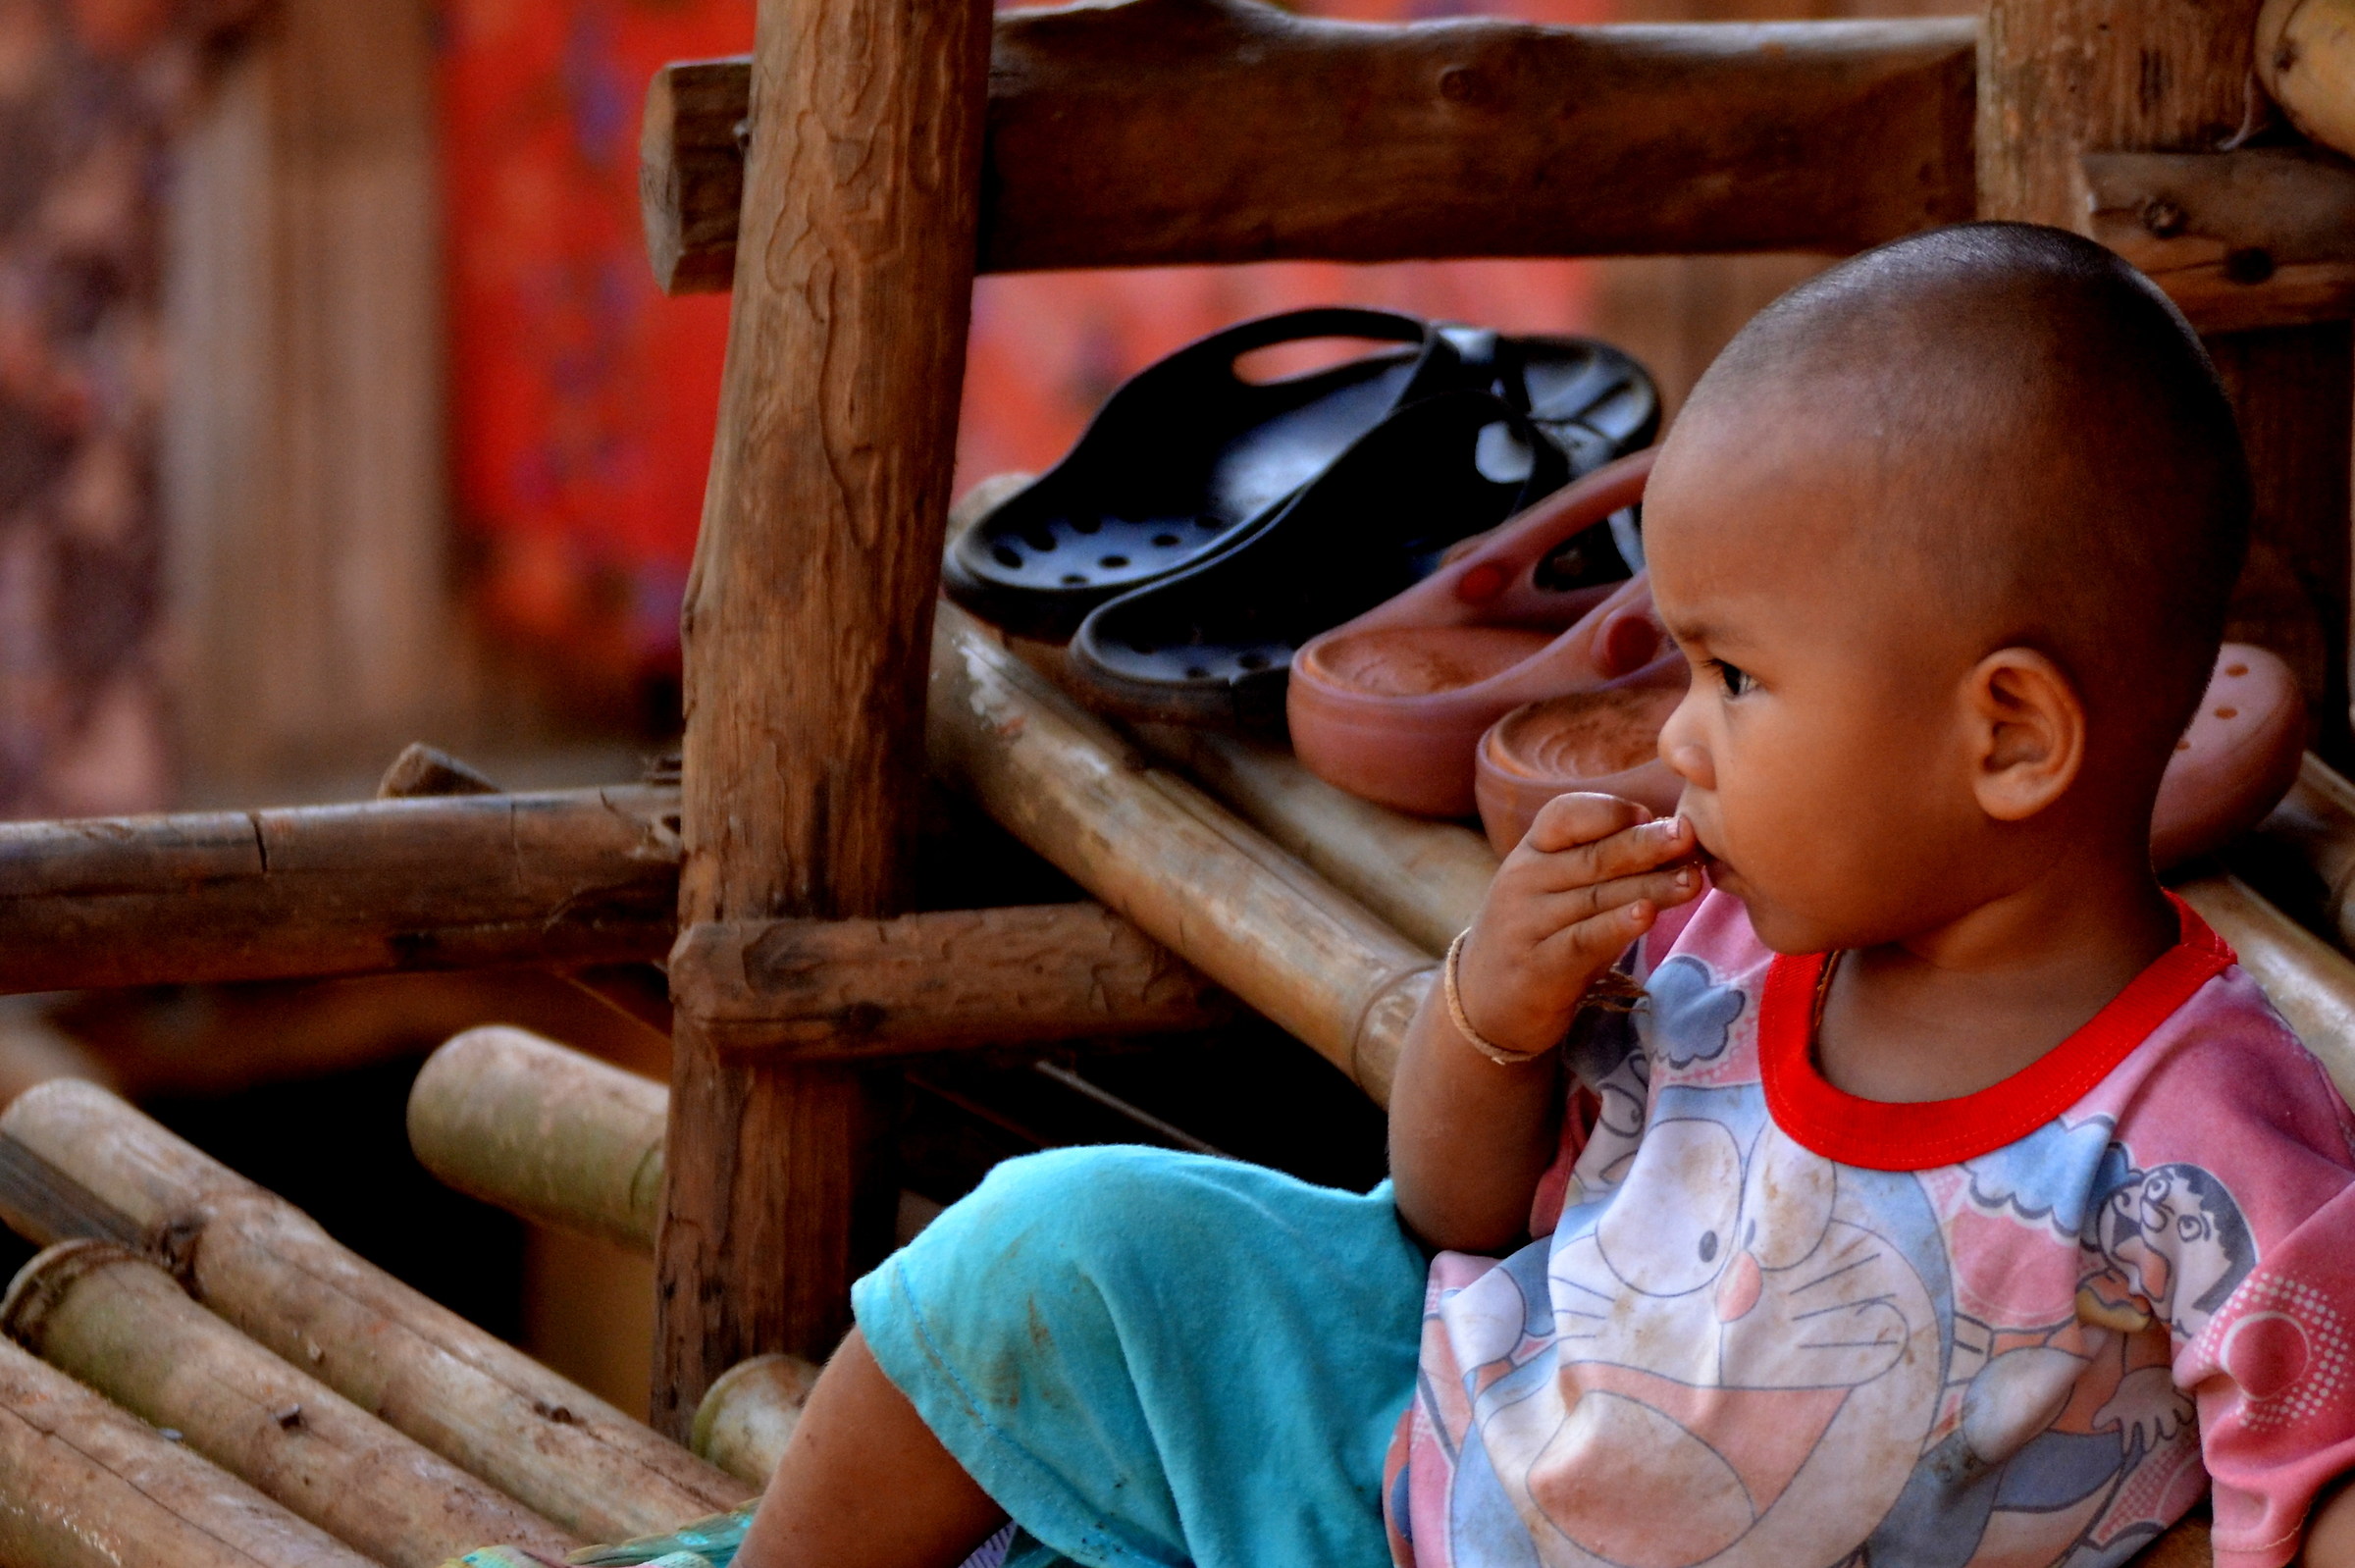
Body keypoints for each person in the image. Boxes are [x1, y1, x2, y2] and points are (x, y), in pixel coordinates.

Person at [730, 223, 2355, 1568]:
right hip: (1407, 1478)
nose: (1675, 736)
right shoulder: (1716, 938)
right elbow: (1448, 1213)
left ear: (2005, 736)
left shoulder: (2201, 1138)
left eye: (1733, 675)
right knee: (1058, 1243)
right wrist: (1489, 1017)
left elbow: (2313, 1490)